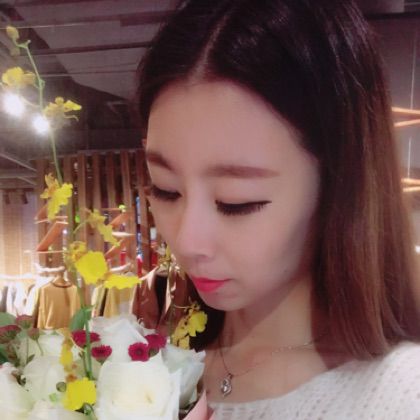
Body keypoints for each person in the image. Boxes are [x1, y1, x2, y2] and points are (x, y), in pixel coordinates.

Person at [136, 0, 420, 418]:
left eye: (236, 202)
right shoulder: (144, 366)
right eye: (166, 190)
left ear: (337, 185)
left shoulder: (400, 397)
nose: (187, 241)